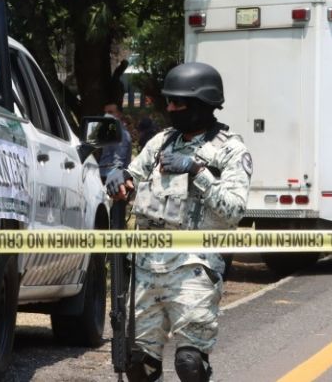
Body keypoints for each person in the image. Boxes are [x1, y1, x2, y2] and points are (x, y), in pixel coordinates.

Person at [105, 62, 252, 382]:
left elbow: (233, 212)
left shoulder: (230, 151)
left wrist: (197, 172)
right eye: (169, 102)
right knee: (139, 364)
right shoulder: (161, 143)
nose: (170, 108)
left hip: (195, 269)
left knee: (189, 363)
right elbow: (135, 176)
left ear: (201, 105)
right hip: (147, 268)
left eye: (177, 103)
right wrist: (121, 179)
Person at [98, 101, 133, 182]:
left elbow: (119, 159)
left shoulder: (121, 133)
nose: (106, 115)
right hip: (103, 174)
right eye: (105, 112)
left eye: (110, 112)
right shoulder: (110, 130)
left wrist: (114, 178)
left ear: (119, 114)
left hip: (111, 177)